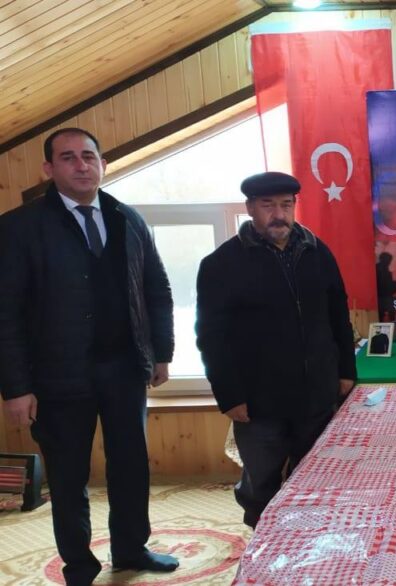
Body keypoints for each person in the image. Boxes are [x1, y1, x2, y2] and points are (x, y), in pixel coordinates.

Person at [0, 128, 178, 585]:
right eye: (68, 158)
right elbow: (6, 313)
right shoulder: (19, 227)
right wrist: (16, 387)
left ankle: (131, 549)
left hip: (124, 370)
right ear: (49, 169)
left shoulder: (127, 218)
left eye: (88, 156)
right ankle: (79, 565)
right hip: (57, 377)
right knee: (67, 477)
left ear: (103, 164)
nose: (81, 165)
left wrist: (161, 352)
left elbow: (156, 288)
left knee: (131, 466)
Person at [196, 171, 357, 529]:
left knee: (315, 479)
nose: (278, 214)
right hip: (258, 402)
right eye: (268, 206)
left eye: (286, 205)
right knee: (261, 486)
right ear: (250, 208)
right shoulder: (221, 264)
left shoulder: (318, 253)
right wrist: (229, 395)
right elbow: (211, 337)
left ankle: (307, 544)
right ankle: (261, 546)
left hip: (316, 393)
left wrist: (346, 371)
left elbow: (339, 317)